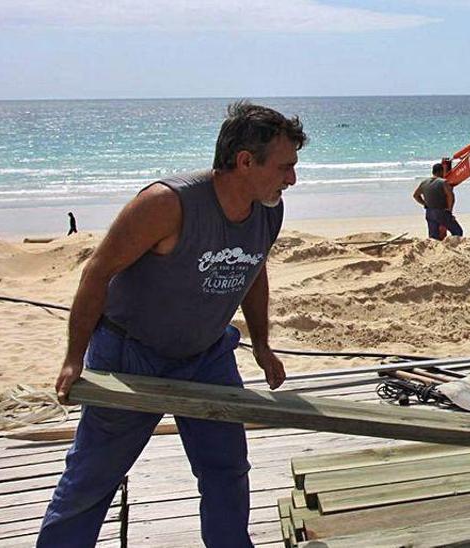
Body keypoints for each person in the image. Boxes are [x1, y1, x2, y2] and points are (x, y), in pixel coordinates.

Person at [39, 101, 306, 548]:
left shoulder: (267, 209)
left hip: (207, 355)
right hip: (131, 355)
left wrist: (262, 345)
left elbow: (254, 269)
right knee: (93, 479)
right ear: (245, 161)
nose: (292, 179)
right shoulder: (167, 204)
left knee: (226, 471)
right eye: (285, 167)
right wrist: (72, 358)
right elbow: (97, 272)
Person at [412, 163, 463, 240]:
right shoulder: (443, 182)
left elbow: (415, 195)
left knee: (433, 237)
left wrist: (424, 203)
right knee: (457, 231)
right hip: (441, 211)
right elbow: (450, 196)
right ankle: (452, 247)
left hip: (429, 212)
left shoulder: (424, 182)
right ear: (441, 171)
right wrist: (449, 209)